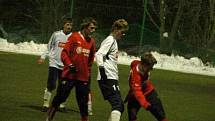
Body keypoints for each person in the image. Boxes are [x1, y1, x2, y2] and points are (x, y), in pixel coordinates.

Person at [45, 17, 97, 121]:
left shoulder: (91, 41)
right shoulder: (74, 37)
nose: (93, 30)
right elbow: (64, 53)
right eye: (91, 28)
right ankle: (49, 118)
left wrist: (87, 72)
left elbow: (91, 59)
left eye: (94, 28)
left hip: (83, 78)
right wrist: (69, 65)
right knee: (60, 98)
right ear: (85, 27)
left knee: (83, 103)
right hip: (69, 75)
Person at [96, 19, 129, 121]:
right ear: (115, 29)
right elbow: (99, 54)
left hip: (112, 78)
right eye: (122, 32)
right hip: (107, 77)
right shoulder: (110, 40)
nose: (123, 35)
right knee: (117, 105)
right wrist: (102, 71)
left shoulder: (113, 41)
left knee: (120, 106)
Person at [38, 17, 73, 112]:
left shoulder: (73, 37)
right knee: (51, 84)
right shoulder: (56, 34)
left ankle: (61, 105)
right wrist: (42, 57)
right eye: (67, 24)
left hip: (66, 66)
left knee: (64, 87)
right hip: (54, 63)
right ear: (64, 25)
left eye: (71, 25)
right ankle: (45, 104)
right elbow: (49, 46)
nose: (69, 27)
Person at [124, 52, 169, 121]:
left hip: (150, 92)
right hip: (135, 95)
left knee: (161, 115)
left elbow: (133, 62)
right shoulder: (136, 77)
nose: (151, 69)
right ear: (144, 65)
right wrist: (146, 105)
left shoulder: (138, 63)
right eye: (150, 67)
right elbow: (138, 92)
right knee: (132, 117)